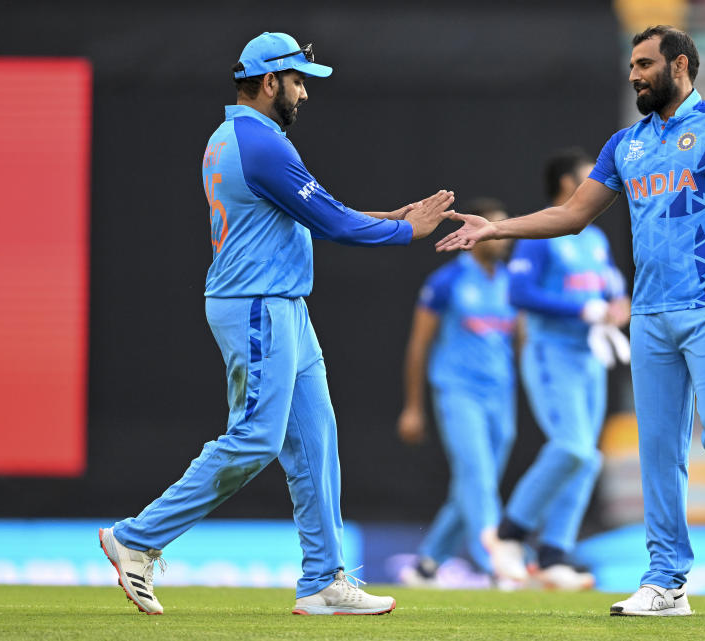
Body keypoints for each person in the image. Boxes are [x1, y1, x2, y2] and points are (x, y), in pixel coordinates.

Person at [436, 25, 705, 617]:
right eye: (631, 65)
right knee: (658, 450)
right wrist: (495, 227)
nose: (633, 74)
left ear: (680, 66)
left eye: (644, 64)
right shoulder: (625, 144)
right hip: (651, 315)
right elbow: (572, 213)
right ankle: (666, 580)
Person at [98, 31, 455, 616]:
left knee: (314, 439)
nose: (304, 95)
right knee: (256, 437)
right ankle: (136, 539)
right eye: (297, 82)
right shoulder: (259, 143)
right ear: (270, 82)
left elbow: (307, 213)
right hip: (258, 304)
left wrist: (385, 216)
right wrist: (406, 231)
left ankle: (323, 582)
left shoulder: (236, 136)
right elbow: (331, 224)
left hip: (280, 303)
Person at [483, 149, 630, 591]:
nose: (600, 183)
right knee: (573, 449)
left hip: (588, 357)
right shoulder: (543, 230)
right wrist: (582, 308)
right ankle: (507, 536)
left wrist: (617, 304)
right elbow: (518, 292)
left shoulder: (594, 238)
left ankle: (552, 556)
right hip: (551, 353)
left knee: (588, 459)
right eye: (590, 176)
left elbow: (611, 285)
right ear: (567, 183)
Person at [396, 198, 517, 586]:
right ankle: (495, 563)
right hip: (458, 392)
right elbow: (418, 345)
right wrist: (413, 407)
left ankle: (427, 564)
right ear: (473, 234)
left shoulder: (510, 282)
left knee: (473, 485)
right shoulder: (447, 281)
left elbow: (518, 342)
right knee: (478, 479)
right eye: (494, 229)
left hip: (500, 395)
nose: (502, 238)